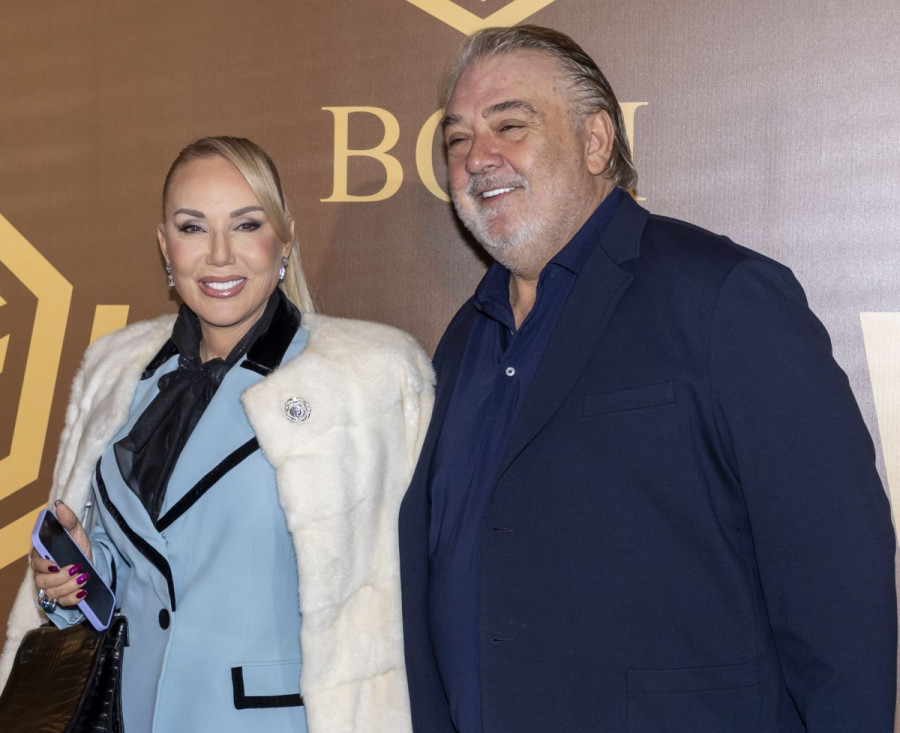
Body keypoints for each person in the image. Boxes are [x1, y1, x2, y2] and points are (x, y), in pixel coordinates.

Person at [398, 25, 896, 733]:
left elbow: (837, 578)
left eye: (510, 125)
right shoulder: (460, 343)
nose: (478, 157)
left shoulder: (723, 298)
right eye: (456, 139)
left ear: (596, 141)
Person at [0, 136, 433, 733]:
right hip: (135, 714)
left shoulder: (366, 381)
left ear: (285, 239)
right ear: (165, 246)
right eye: (193, 228)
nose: (220, 254)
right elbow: (138, 579)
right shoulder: (118, 377)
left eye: (246, 224)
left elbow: (410, 592)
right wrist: (77, 575)